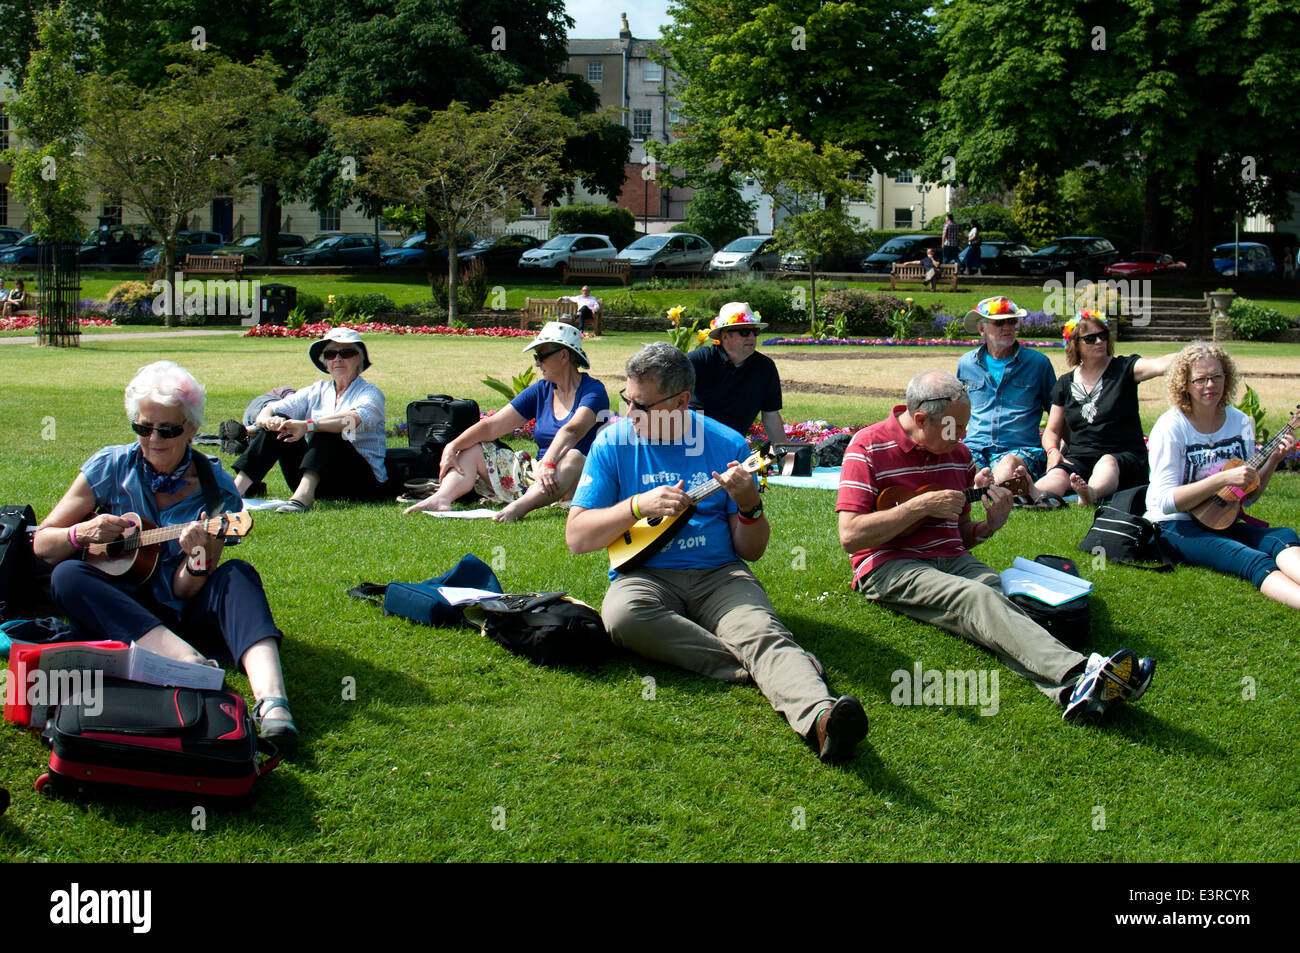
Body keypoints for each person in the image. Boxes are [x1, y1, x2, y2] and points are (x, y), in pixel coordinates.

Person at [566, 342, 867, 763]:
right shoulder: (612, 443)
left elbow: (752, 550)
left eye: (641, 405)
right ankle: (770, 667)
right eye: (626, 399)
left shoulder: (728, 445)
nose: (628, 413)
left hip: (719, 574)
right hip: (643, 575)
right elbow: (577, 537)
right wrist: (638, 506)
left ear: (682, 402)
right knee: (623, 618)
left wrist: (749, 505)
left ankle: (821, 718)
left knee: (759, 628)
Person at [836, 369, 1154, 723]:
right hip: (890, 564)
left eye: (966, 425)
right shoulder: (867, 446)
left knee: (1007, 600)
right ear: (921, 419)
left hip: (953, 558)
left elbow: (962, 534)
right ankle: (1078, 670)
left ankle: (1071, 692)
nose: (963, 436)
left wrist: (990, 524)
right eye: (954, 428)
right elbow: (850, 535)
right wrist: (920, 506)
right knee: (980, 598)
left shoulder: (957, 454)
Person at [33, 361, 297, 747]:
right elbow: (42, 542)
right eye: (143, 427)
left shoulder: (215, 488)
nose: (153, 438)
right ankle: (185, 663)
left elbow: (186, 590)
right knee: (68, 575)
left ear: (191, 429)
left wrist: (195, 558)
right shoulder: (110, 466)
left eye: (167, 429)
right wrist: (81, 532)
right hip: (117, 606)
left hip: (177, 612)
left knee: (238, 574)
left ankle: (273, 704)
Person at [1145, 343, 1300, 609]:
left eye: (1216, 377)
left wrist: (1274, 460)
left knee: (1282, 537)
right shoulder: (1171, 426)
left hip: (1218, 519)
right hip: (1174, 525)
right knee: (1251, 559)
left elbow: (1246, 497)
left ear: (1226, 379)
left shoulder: (1239, 421)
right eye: (1200, 379)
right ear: (1185, 383)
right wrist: (1221, 479)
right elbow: (1166, 501)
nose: (1210, 385)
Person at [404, 322, 609, 522]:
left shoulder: (593, 391)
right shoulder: (541, 390)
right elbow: (492, 426)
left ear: (564, 355)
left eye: (541, 356)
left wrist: (549, 461)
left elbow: (572, 431)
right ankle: (442, 497)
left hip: (577, 476)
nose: (537, 363)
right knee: (474, 449)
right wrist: (452, 446)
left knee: (574, 457)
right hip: (540, 474)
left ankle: (519, 507)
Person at [232, 327, 387, 513]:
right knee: (281, 424)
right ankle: (233, 493)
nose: (337, 359)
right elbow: (273, 408)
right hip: (319, 475)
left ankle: (303, 498)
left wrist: (308, 426)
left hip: (359, 481)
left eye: (346, 353)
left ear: (359, 359)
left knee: (327, 429)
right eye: (331, 354)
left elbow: (352, 419)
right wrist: (267, 420)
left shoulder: (371, 393)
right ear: (325, 362)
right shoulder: (316, 390)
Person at [1034, 309, 1177, 506]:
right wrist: (1052, 452)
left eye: (1103, 335)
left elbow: (1160, 365)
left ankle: (1091, 493)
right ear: (1075, 344)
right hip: (1081, 455)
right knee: (1060, 473)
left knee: (1107, 462)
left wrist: (1194, 354)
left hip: (1122, 454)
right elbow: (1051, 430)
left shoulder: (1125, 368)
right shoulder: (1065, 383)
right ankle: (1033, 492)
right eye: (1091, 338)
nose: (1100, 341)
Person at [956, 296, 1062, 507]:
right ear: (981, 329)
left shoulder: (1038, 364)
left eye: (1012, 321)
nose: (1007, 327)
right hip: (974, 447)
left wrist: (1060, 451)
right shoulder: (966, 363)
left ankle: (980, 490)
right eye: (999, 322)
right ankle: (989, 488)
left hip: (1019, 449)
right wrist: (950, 442)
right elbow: (957, 409)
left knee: (1008, 464)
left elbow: (1057, 411)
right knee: (957, 462)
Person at [687, 301, 788, 442]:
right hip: (693, 445)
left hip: (732, 450)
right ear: (724, 336)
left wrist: (785, 455)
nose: (752, 337)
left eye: (755, 331)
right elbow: (666, 395)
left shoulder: (765, 367)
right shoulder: (701, 359)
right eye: (744, 332)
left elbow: (771, 416)